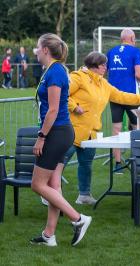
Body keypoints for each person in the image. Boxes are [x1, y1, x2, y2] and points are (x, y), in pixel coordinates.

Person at [63, 52, 140, 204]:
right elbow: (61, 93)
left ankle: (84, 195)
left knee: (86, 165)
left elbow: (121, 96)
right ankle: (47, 192)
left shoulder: (103, 84)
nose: (106, 67)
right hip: (71, 131)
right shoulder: (78, 77)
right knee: (59, 163)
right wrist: (74, 107)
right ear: (95, 65)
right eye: (103, 64)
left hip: (92, 133)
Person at [30, 33, 91, 247]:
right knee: (54, 184)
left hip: (56, 133)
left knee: (37, 184)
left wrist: (41, 138)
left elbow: (53, 110)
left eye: (37, 47)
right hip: (61, 132)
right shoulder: (54, 70)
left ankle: (78, 219)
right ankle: (49, 235)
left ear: (45, 49)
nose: (35, 51)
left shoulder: (55, 72)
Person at [107, 28, 140, 173]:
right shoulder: (135, 51)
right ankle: (137, 161)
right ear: (132, 38)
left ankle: (117, 164)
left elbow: (104, 71)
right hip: (130, 96)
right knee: (136, 128)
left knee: (116, 128)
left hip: (114, 94)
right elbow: (138, 73)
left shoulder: (111, 52)